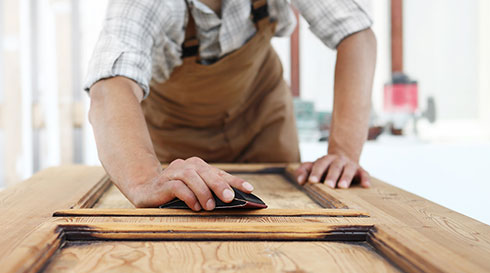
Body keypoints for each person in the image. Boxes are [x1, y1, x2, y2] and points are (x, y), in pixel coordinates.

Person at [85, 0, 376, 211]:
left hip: (263, 118)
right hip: (175, 134)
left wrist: (343, 154)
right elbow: (111, 86)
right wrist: (143, 180)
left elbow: (356, 35)